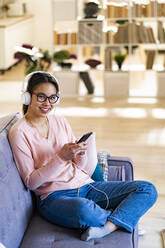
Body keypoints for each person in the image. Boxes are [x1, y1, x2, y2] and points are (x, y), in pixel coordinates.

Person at [8, 71, 158, 241]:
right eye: (41, 97)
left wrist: (80, 154)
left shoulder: (60, 121)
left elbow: (78, 166)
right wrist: (60, 158)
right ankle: (125, 217)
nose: (47, 103)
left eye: (52, 98)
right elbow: (31, 182)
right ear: (27, 97)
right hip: (54, 197)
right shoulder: (19, 132)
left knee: (147, 189)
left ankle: (107, 227)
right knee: (84, 210)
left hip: (86, 186)